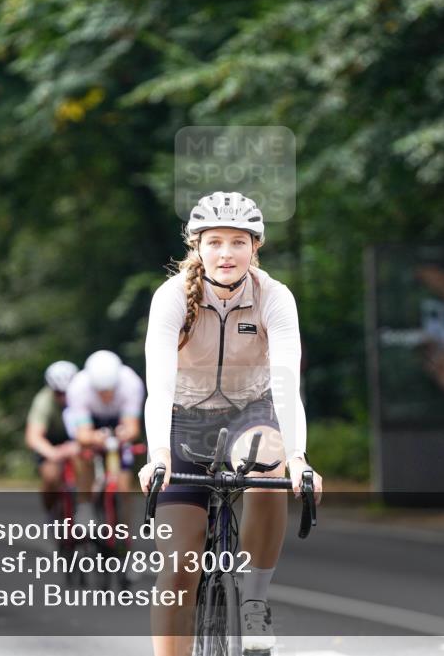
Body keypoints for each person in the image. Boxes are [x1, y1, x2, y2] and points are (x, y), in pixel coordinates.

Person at [137, 191, 323, 656]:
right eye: (215, 242)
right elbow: (159, 384)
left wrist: (298, 458)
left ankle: (254, 602)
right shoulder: (172, 297)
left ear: (255, 247)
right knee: (179, 566)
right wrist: (158, 453)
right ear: (197, 246)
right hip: (183, 420)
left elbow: (286, 383)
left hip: (249, 413)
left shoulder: (274, 297)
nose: (226, 253)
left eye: (238, 242)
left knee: (270, 464)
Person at [64, 350, 145, 527]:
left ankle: (124, 525)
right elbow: (83, 435)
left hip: (118, 418)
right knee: (82, 452)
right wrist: (94, 438)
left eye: (110, 390)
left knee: (123, 485)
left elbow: (132, 428)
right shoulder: (78, 387)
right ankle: (85, 505)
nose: (106, 395)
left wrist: (123, 436)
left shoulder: (131, 383)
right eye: (100, 391)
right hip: (91, 419)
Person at [25, 360, 82, 516]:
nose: (64, 398)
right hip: (51, 443)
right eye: (59, 393)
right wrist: (53, 453)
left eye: (67, 393)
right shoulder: (43, 401)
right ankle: (51, 512)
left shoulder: (84, 396)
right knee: (51, 476)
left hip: (78, 440)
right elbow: (33, 437)